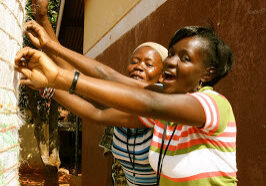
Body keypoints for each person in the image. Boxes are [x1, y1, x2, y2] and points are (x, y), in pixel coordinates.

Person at [17, 25, 237, 185]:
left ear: (208, 73)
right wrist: (51, 52)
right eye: (171, 54)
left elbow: (150, 103)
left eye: (185, 58)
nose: (171, 61)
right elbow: (102, 96)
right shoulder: (163, 111)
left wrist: (58, 77)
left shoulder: (213, 104)